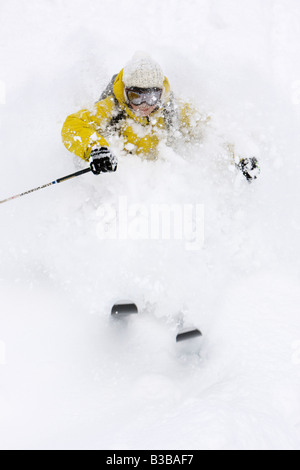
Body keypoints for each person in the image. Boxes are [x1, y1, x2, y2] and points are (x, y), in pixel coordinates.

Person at [61, 53, 259, 181]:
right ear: (126, 92)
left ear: (161, 92)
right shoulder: (112, 108)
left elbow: (211, 127)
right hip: (123, 185)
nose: (145, 105)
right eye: (137, 97)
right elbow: (73, 125)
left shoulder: (171, 109)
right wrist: (96, 149)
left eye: (152, 96)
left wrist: (240, 154)